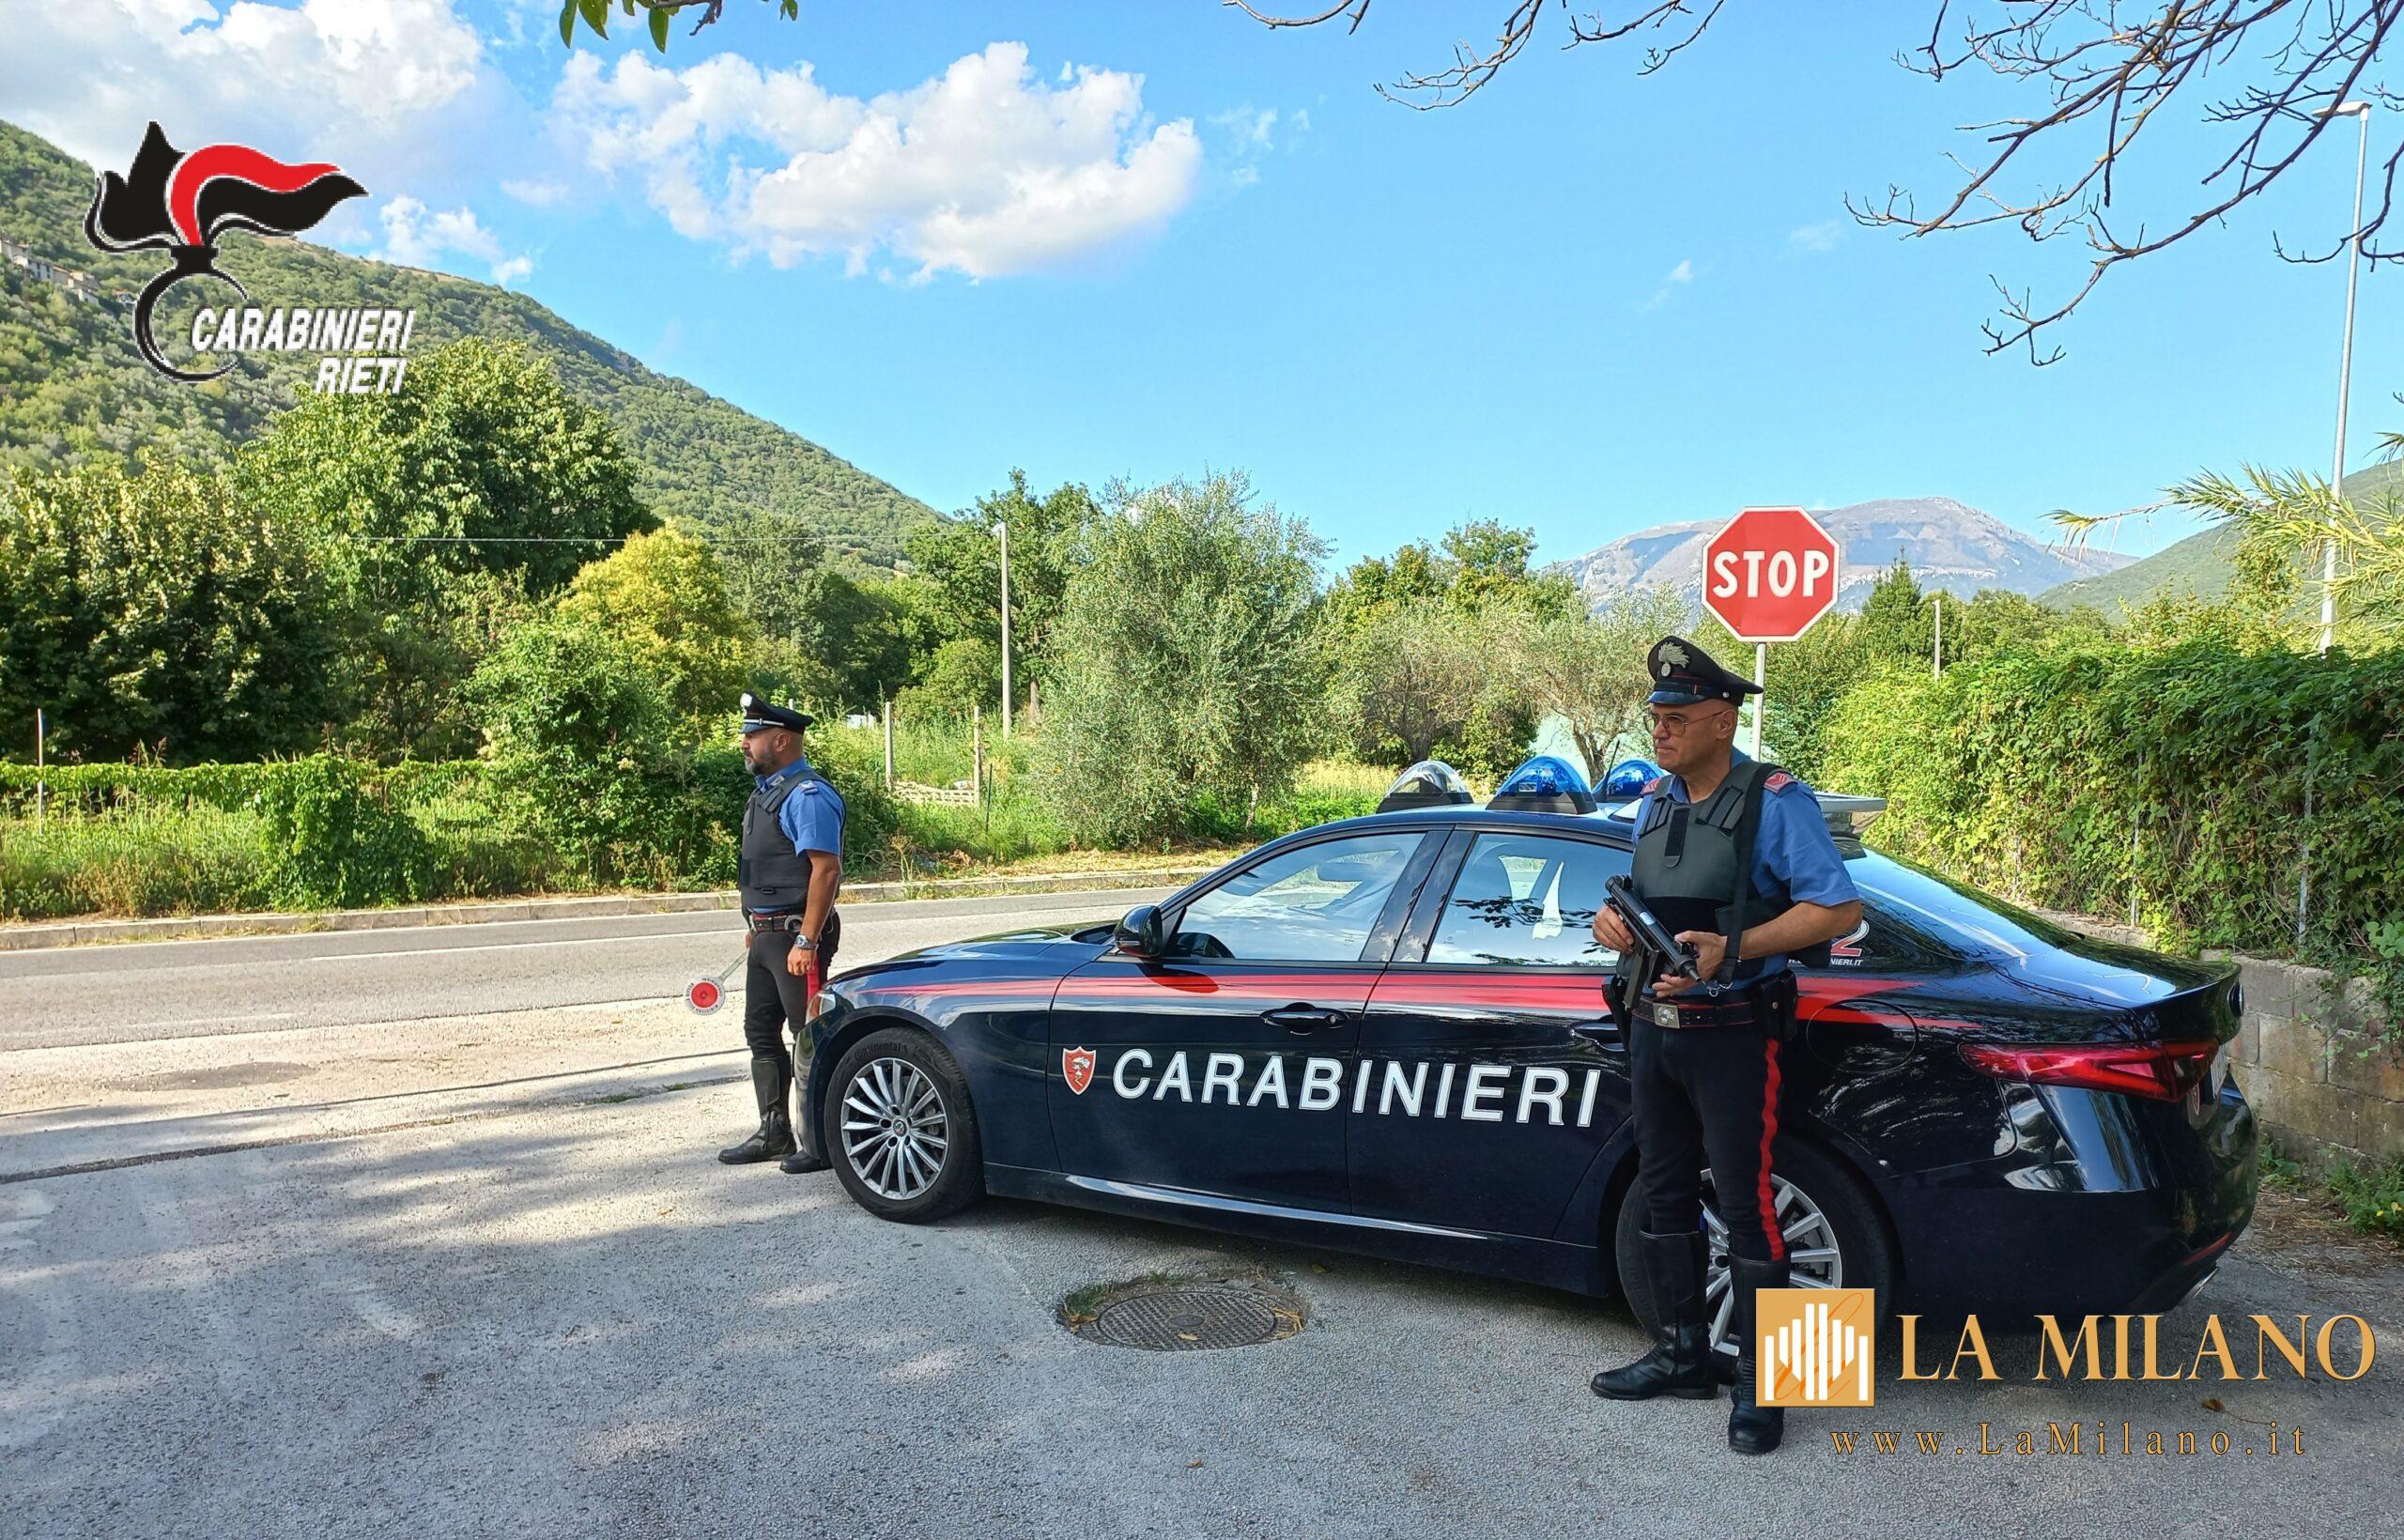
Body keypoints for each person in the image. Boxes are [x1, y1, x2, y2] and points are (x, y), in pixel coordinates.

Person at [1587, 636, 1862, 1456]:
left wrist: (1732, 948)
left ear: (1720, 719)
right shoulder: (1656, 802)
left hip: (1735, 1034)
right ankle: (1683, 1356)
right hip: (1653, 1029)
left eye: (1675, 717)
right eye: (1655, 717)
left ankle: (1769, 1392)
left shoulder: (1776, 800)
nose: (1659, 730)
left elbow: (1837, 911)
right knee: (1666, 1195)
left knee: (1749, 1208)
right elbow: (1648, 901)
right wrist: (1613, 926)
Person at [717, 691, 846, 1176]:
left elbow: (826, 871)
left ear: (781, 739)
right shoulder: (767, 792)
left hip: (797, 937)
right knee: (760, 1032)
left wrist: (807, 940)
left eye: (752, 737)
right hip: (767, 937)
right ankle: (774, 1132)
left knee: (808, 1037)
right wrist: (754, 926)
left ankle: (819, 1142)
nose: (744, 745)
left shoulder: (807, 796)